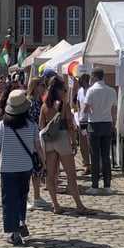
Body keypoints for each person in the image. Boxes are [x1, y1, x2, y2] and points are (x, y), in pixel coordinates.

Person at [0, 89, 45, 246]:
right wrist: (43, 162)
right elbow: (38, 146)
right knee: (21, 197)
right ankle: (21, 220)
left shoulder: (2, 126)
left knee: (9, 200)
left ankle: (14, 233)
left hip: (8, 167)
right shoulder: (31, 125)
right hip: (25, 166)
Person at [39, 76, 92, 215]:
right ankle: (79, 205)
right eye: (64, 89)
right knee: (70, 174)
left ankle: (55, 205)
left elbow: (41, 126)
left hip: (49, 141)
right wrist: (74, 142)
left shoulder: (45, 106)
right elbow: (69, 124)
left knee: (51, 175)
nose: (65, 91)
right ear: (58, 90)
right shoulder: (63, 104)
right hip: (62, 138)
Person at [83, 68, 116, 193]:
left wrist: (91, 108)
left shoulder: (91, 91)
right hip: (107, 123)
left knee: (95, 156)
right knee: (106, 156)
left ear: (95, 77)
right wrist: (114, 125)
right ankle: (107, 185)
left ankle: (95, 185)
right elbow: (113, 110)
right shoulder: (112, 91)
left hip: (94, 124)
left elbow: (85, 109)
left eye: (92, 76)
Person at [26, 76, 50, 206]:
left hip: (38, 139)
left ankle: (37, 197)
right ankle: (25, 198)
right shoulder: (29, 102)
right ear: (36, 86)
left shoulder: (40, 101)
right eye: (42, 85)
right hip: (29, 140)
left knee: (36, 170)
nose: (44, 88)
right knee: (28, 171)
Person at [73, 73, 92, 175]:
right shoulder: (79, 91)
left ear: (85, 79)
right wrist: (78, 117)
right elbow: (77, 105)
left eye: (79, 79)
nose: (78, 81)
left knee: (92, 144)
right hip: (82, 121)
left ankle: (98, 165)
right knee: (83, 144)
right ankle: (87, 166)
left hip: (91, 121)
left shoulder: (91, 90)